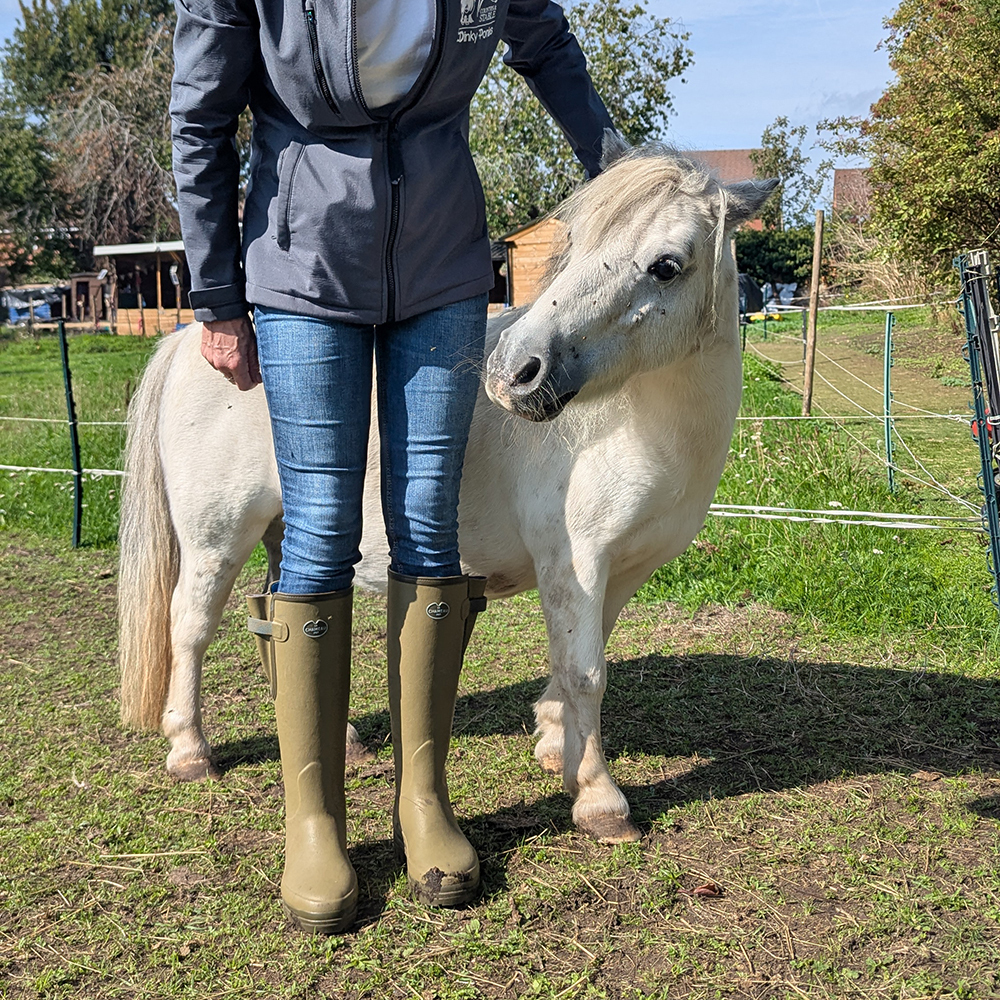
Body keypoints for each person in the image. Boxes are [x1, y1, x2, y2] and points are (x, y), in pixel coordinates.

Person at [170, 0, 616, 934]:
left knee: (428, 518)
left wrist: (626, 171)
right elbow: (201, 111)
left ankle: (424, 800)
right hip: (300, 267)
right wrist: (216, 292)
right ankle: (314, 820)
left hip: (444, 266)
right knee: (323, 525)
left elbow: (548, 48)